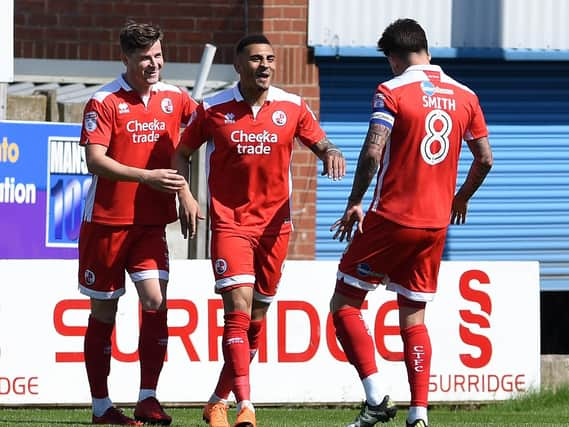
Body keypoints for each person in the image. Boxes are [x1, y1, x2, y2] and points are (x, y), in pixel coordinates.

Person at [172, 34, 346, 427]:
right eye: (255, 59)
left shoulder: (292, 106)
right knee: (236, 310)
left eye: (269, 59)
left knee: (256, 317)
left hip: (275, 227)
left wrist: (332, 152)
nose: (264, 65)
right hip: (231, 223)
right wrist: (184, 195)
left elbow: (321, 144)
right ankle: (245, 406)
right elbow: (180, 152)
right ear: (238, 66)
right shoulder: (213, 108)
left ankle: (217, 399)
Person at [329, 18, 493, 427]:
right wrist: (461, 198)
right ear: (427, 49)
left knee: (345, 302)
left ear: (393, 57)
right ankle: (419, 413)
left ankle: (375, 397)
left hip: (392, 217)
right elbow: (485, 158)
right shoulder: (466, 95)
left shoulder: (392, 90)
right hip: (436, 224)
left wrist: (354, 202)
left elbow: (372, 153)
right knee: (413, 315)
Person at [77, 21, 198, 426]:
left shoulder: (175, 98)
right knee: (104, 314)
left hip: (149, 225)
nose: (154, 64)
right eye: (145, 58)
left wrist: (185, 191)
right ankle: (101, 408)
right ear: (125, 58)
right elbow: (95, 160)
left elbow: (197, 140)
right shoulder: (104, 101)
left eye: (159, 56)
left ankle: (148, 397)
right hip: (107, 225)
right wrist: (146, 176)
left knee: (155, 302)